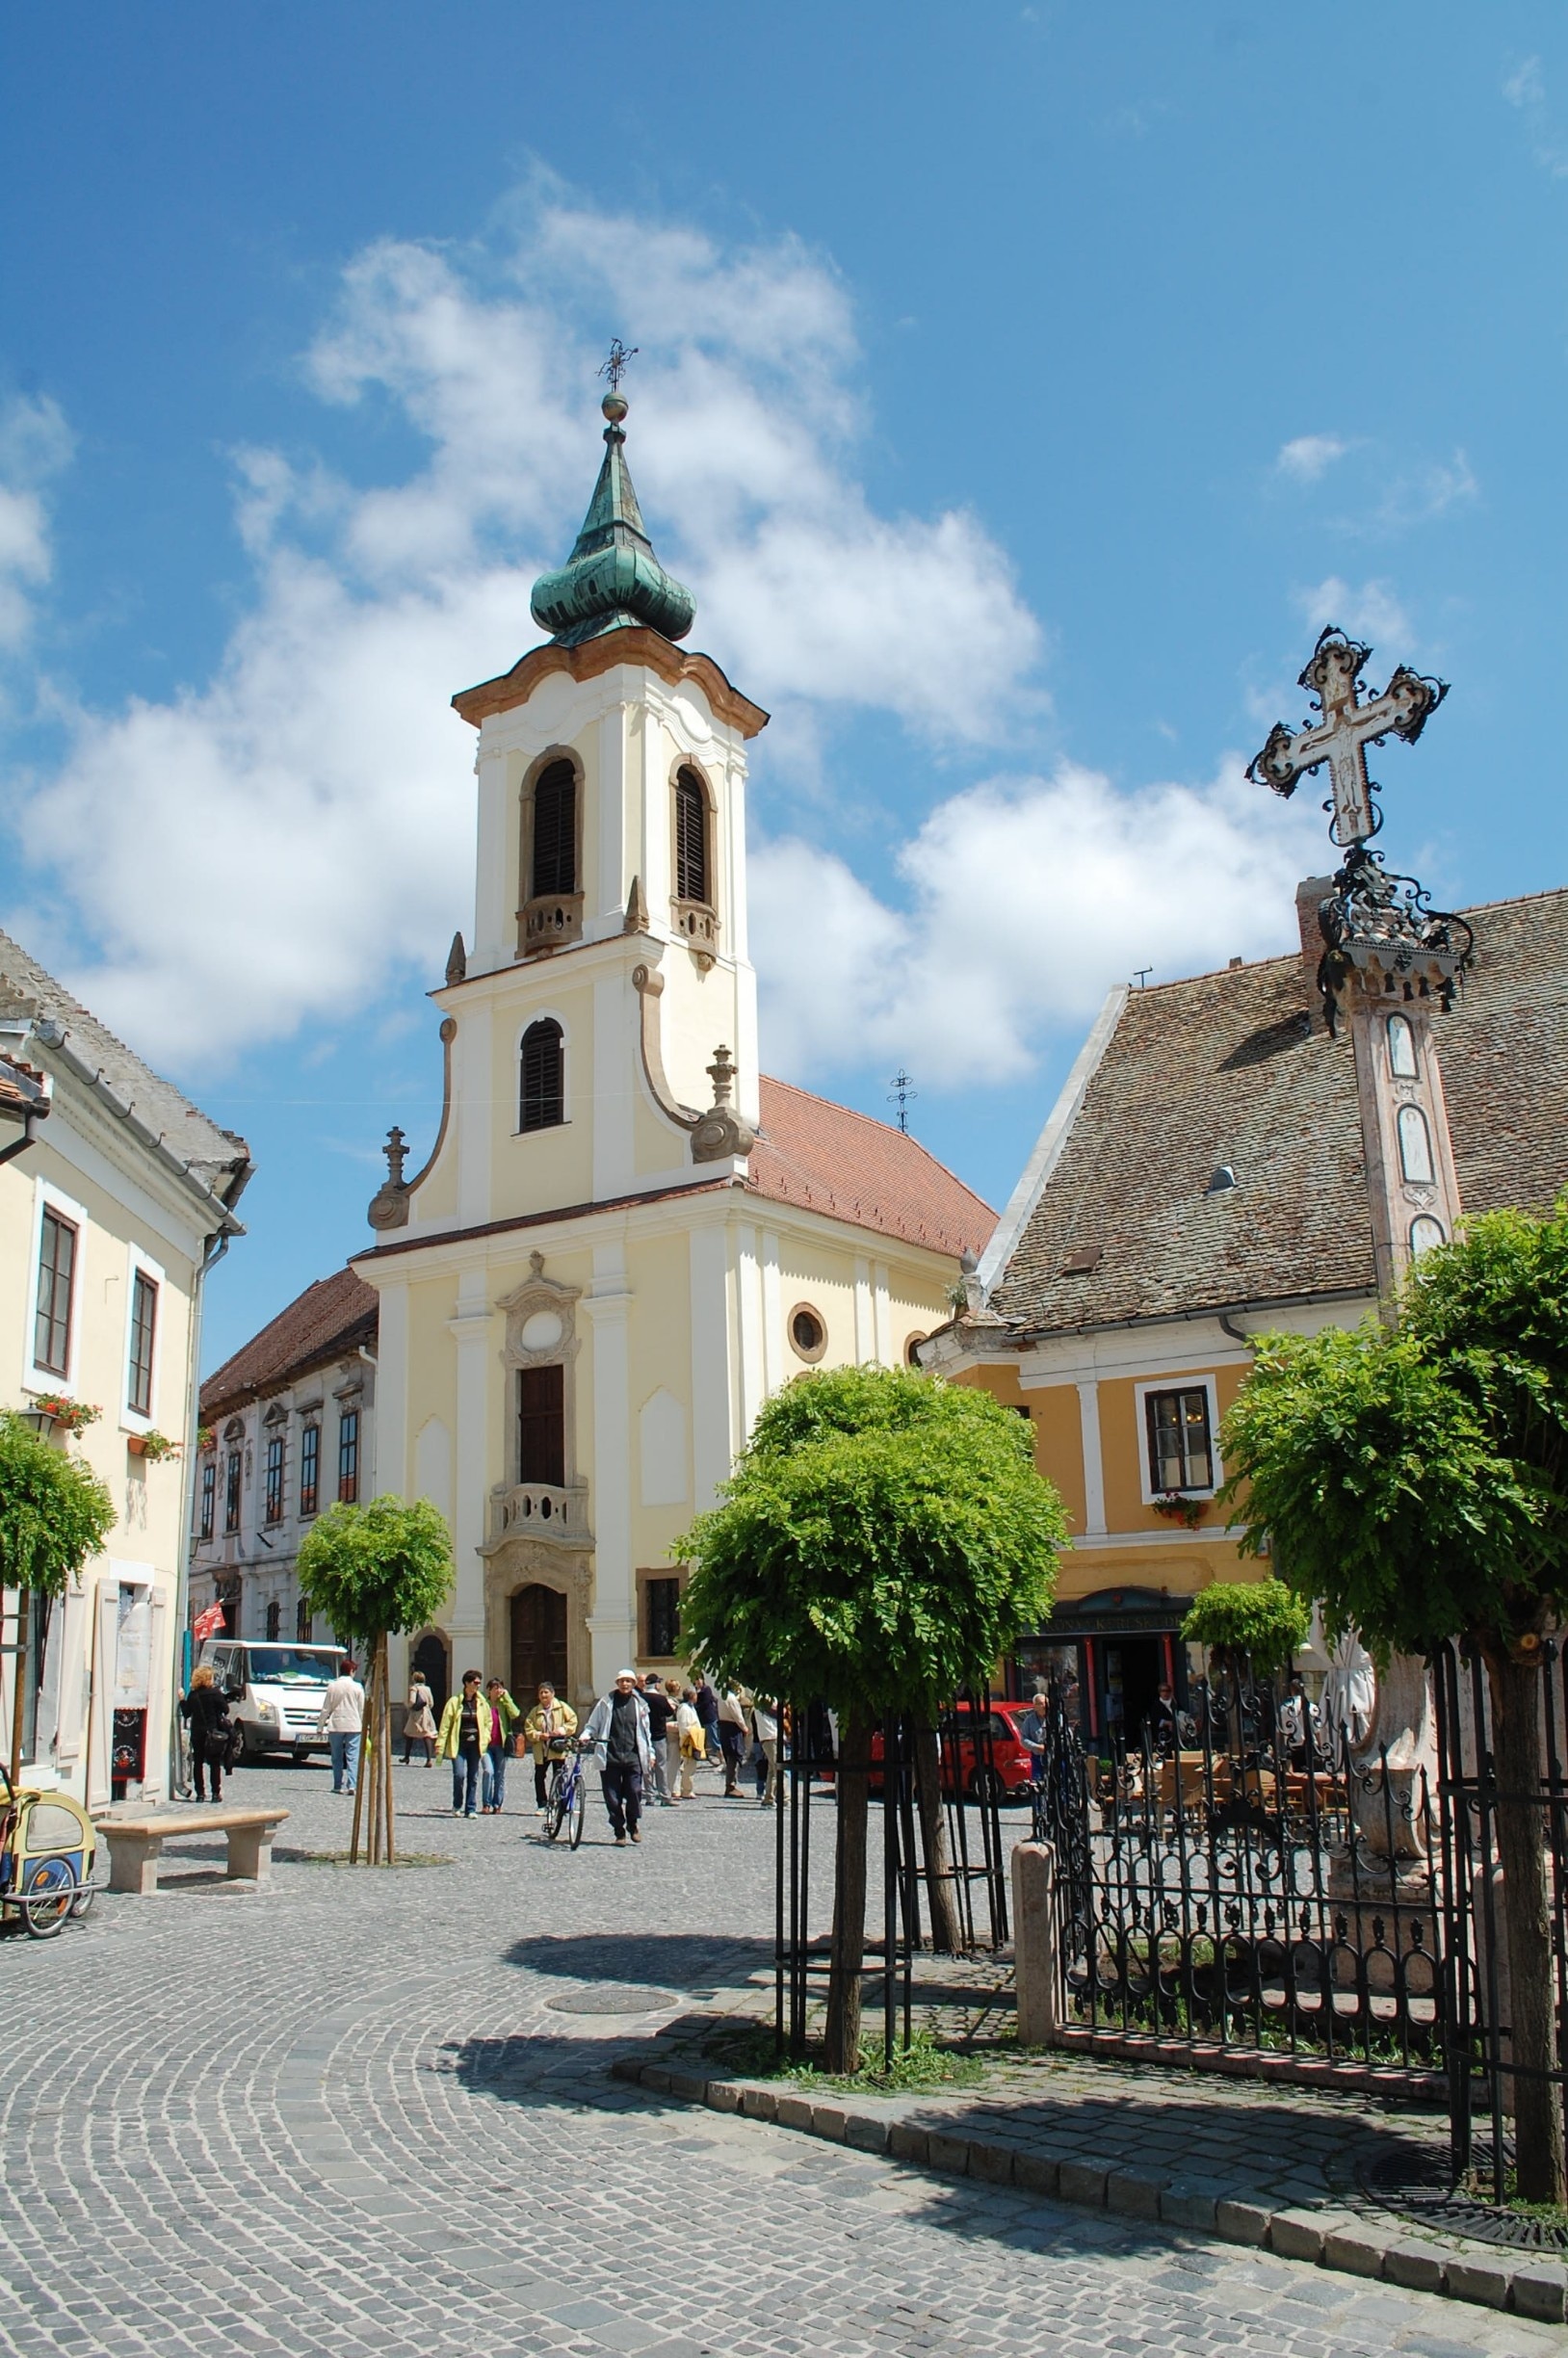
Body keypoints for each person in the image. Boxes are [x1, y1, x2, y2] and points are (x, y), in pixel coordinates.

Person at [580, 1668, 653, 1846]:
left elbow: (646, 1732)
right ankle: (619, 1832)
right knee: (613, 1798)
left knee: (635, 1792)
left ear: (634, 1684)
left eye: (628, 1681)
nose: (625, 1684)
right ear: (617, 1683)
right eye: (622, 1681)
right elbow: (593, 1724)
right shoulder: (606, 1702)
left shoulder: (640, 1705)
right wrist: (585, 1735)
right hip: (610, 1756)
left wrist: (650, 1753)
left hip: (633, 1756)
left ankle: (633, 1823)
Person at [436, 1669, 493, 1818]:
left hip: (475, 1745)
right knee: (459, 1775)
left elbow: (488, 1722)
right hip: (459, 1744)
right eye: (475, 1682)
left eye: (479, 1683)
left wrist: (486, 1738)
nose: (478, 1685)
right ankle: (457, 1804)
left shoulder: (482, 1703)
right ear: (467, 1683)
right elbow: (445, 1725)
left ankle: (471, 1808)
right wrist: (440, 1744)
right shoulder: (455, 1702)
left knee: (473, 1776)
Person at [180, 1663, 232, 1803]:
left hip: (198, 1733)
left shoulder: (193, 1695)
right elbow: (226, 1710)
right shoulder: (215, 1693)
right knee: (214, 1763)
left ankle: (200, 1794)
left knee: (198, 1763)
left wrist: (182, 1701)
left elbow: (186, 1713)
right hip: (213, 1733)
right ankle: (215, 1793)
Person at [523, 1682, 578, 1813]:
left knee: (559, 1775)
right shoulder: (535, 1711)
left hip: (557, 1747)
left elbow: (573, 1720)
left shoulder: (562, 1707)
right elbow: (528, 1728)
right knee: (539, 1776)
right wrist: (538, 1735)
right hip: (541, 1749)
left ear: (552, 1694)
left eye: (546, 1692)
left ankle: (560, 1803)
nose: (543, 1695)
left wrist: (562, 1730)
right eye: (541, 1693)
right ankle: (542, 1804)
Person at [315, 1657, 366, 1795]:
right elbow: (361, 1709)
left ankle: (337, 1785)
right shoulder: (357, 1687)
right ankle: (352, 1785)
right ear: (351, 1671)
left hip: (336, 1724)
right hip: (354, 1725)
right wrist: (364, 1726)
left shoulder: (333, 1686)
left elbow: (326, 1708)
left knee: (336, 1757)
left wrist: (320, 1726)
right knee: (352, 1756)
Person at [483, 1678, 520, 1813]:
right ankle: (486, 1803)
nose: (498, 1691)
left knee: (500, 1775)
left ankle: (497, 1804)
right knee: (488, 1771)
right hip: (486, 1744)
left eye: (500, 1688)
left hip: (501, 1744)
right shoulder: (483, 1703)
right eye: (495, 1688)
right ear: (489, 1690)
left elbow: (515, 1714)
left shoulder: (503, 1704)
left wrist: (507, 1698)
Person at [641, 1673, 674, 1804]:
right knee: (661, 1766)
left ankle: (649, 1795)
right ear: (655, 1684)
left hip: (644, 1735)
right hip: (659, 1735)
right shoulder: (661, 1699)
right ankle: (664, 1795)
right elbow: (670, 1712)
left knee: (646, 1766)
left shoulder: (640, 1698)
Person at [717, 1683, 747, 1796]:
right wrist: (744, 1728)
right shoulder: (731, 1698)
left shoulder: (722, 1696)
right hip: (732, 1728)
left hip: (724, 1727)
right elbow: (737, 1716)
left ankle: (731, 1784)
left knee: (730, 1755)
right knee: (733, 1756)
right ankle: (731, 1785)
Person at [673, 1685, 702, 1800]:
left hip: (695, 1738)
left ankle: (687, 1788)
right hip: (689, 1740)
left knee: (691, 1765)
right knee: (689, 1765)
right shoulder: (684, 1709)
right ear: (692, 1696)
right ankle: (686, 1789)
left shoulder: (690, 1707)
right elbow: (684, 1726)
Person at [750, 1694, 779, 1807]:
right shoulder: (764, 1699)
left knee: (771, 1769)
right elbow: (778, 1712)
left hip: (767, 1737)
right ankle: (783, 1798)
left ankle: (769, 1797)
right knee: (778, 1768)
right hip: (770, 1737)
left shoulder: (760, 1702)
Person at [403, 1672, 436, 1768]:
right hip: (427, 1713)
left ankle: (407, 1756)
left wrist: (408, 1706)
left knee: (409, 1734)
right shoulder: (427, 1689)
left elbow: (412, 1701)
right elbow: (431, 1703)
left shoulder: (414, 1688)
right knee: (427, 1735)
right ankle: (429, 1759)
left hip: (416, 1714)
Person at [664, 1678, 685, 1800]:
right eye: (678, 1687)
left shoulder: (672, 1701)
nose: (679, 1689)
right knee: (673, 1763)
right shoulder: (671, 1703)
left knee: (675, 1763)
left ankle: (674, 1788)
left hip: (671, 1735)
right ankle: (673, 1789)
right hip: (672, 1735)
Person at [693, 1674, 720, 1766]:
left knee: (714, 1740)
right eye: (696, 1680)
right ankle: (705, 1757)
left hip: (709, 1718)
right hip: (701, 1719)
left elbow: (704, 1703)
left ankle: (722, 1759)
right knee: (701, 1741)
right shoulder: (696, 1691)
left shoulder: (706, 1689)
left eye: (699, 1679)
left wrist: (694, 1707)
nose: (698, 1681)